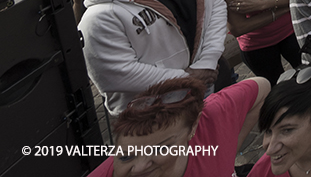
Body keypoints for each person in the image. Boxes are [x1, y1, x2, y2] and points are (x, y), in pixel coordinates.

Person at [78, 0, 227, 116]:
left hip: (205, 88)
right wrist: (186, 78)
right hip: (151, 114)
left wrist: (207, 61)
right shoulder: (103, 14)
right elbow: (113, 74)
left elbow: (216, 5)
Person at [88, 75, 270, 177]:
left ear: (192, 128)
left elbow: (261, 87)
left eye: (161, 148)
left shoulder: (211, 117)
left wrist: (227, 151)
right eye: (127, 156)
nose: (139, 167)